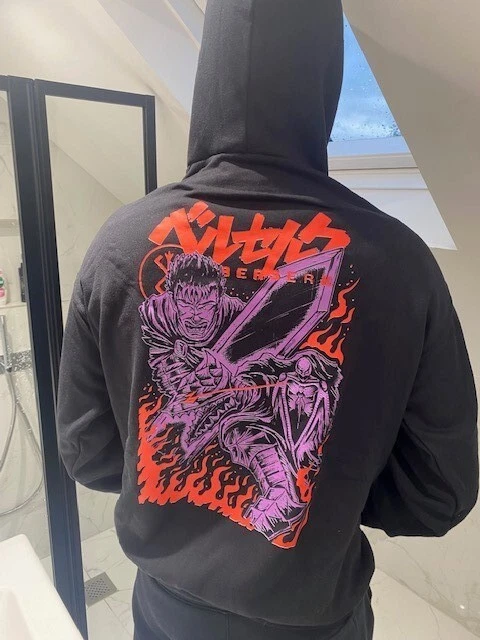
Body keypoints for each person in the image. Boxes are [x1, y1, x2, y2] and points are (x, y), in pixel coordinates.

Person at [56, 0, 479, 638]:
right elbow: (440, 491)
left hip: (165, 612)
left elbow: (87, 452)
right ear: (326, 80)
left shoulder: (118, 243)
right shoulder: (399, 262)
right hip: (315, 616)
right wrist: (332, 489)